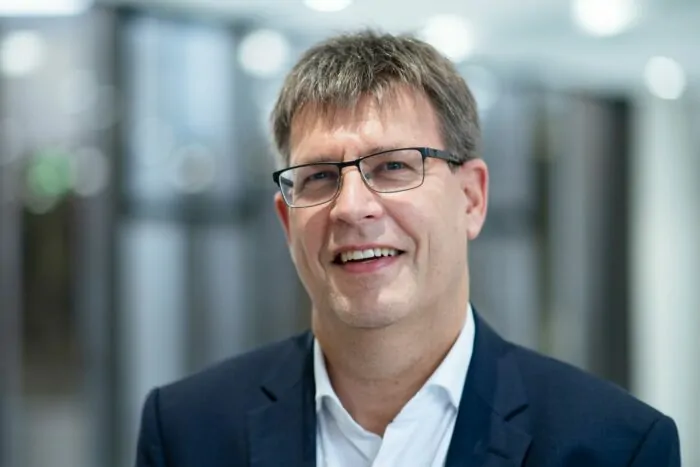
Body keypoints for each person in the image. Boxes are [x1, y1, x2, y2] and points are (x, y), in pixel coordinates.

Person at [135, 30, 680, 467]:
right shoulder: (187, 431)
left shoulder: (614, 447)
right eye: (320, 176)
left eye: (393, 166)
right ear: (286, 220)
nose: (351, 208)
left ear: (471, 199)